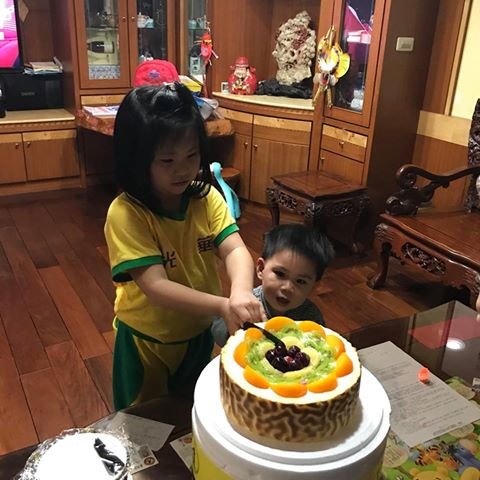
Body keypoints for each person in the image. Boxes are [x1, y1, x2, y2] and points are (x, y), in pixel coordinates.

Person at [104, 82, 265, 410]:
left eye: (192, 155)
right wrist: (222, 306)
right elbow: (156, 287)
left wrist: (241, 292)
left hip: (197, 334)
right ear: (136, 161)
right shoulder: (127, 213)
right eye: (167, 160)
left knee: (189, 409)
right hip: (146, 342)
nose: (182, 169)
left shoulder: (206, 198)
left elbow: (235, 249)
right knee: (142, 421)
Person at [212, 223, 335, 347]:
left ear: (314, 286)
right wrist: (234, 332)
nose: (287, 288)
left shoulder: (311, 317)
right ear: (261, 268)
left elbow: (321, 345)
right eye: (280, 274)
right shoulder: (248, 304)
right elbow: (218, 330)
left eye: (300, 281)